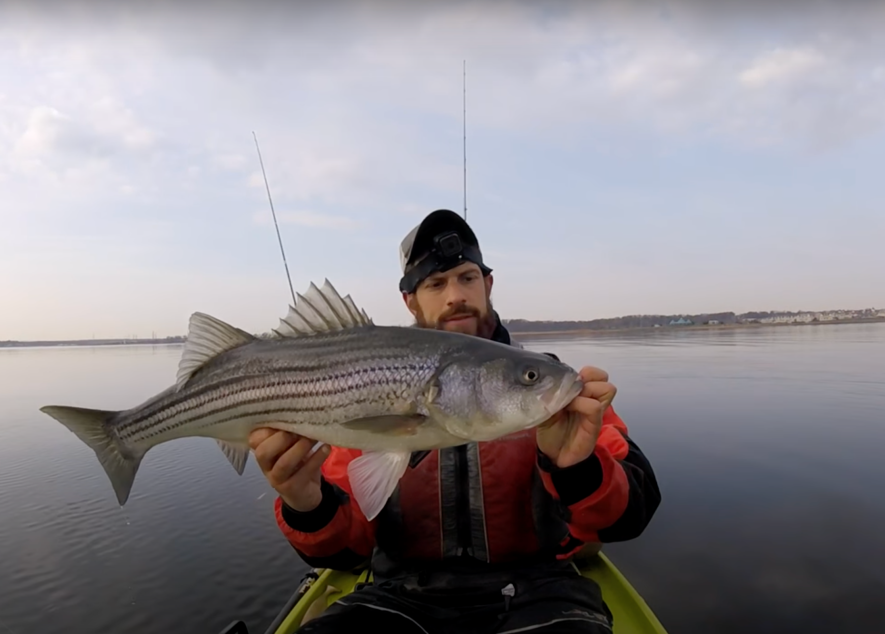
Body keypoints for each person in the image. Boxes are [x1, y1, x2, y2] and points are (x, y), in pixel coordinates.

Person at [248, 209, 661, 633]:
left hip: (541, 592)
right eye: (435, 283)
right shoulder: (365, 391)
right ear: (410, 301)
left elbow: (632, 514)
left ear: (488, 285)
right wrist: (307, 505)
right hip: (402, 597)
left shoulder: (547, 385)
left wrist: (578, 469)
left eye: (467, 277)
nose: (455, 296)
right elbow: (345, 550)